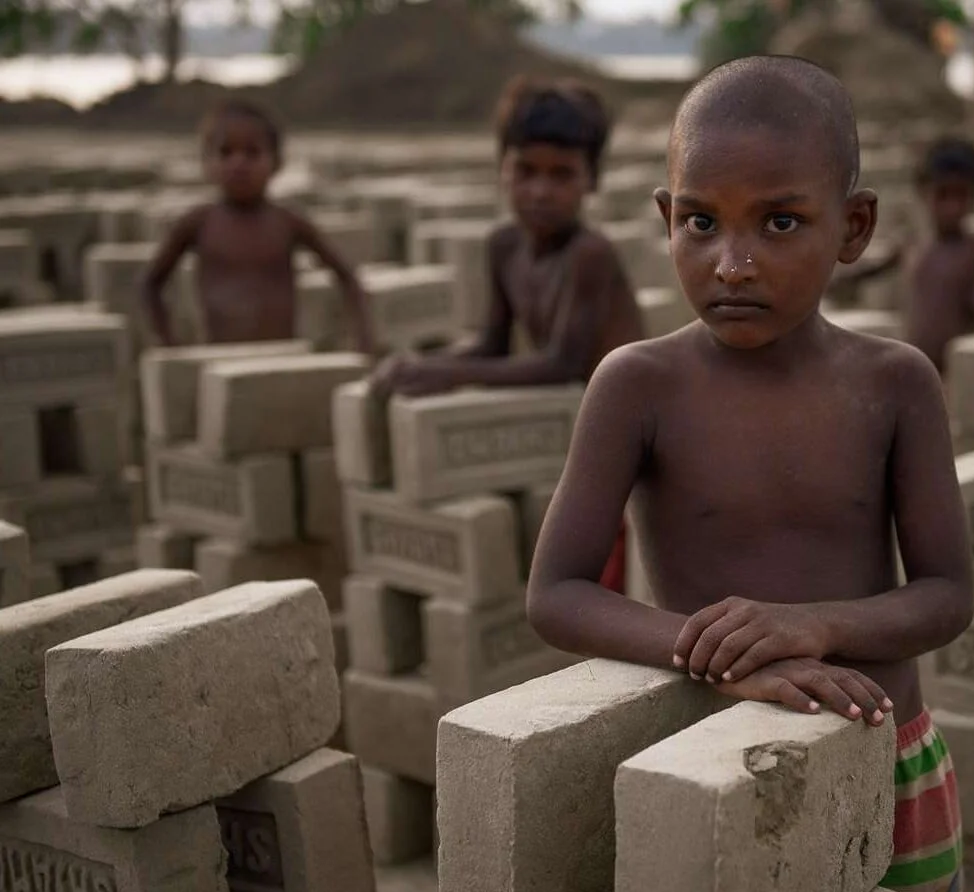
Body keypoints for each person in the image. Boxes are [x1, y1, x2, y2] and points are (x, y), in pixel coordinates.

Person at [526, 56, 973, 892]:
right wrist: (727, 656)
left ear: (853, 226)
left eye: (778, 222)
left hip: (882, 753)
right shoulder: (636, 385)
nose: (732, 263)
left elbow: (946, 596)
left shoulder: (895, 385)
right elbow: (556, 594)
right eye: (700, 221)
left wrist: (814, 625)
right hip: (710, 758)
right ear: (664, 220)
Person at [371, 76, 645, 594]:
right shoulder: (502, 247)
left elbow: (559, 363)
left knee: (608, 578)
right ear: (502, 168)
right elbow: (491, 344)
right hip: (573, 423)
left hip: (625, 433)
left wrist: (444, 373)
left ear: (592, 180)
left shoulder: (589, 254)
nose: (540, 190)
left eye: (561, 175)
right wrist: (422, 365)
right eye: (525, 171)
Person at [141, 98, 374, 352]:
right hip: (218, 361)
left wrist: (362, 337)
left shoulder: (288, 222)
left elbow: (346, 277)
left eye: (252, 153)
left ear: (277, 163)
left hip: (279, 359)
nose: (238, 164)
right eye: (225, 152)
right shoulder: (198, 223)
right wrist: (167, 342)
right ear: (206, 164)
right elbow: (151, 284)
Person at [828, 136, 974, 374]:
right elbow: (874, 269)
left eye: (961, 196)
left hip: (959, 372)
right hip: (917, 365)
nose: (952, 207)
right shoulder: (912, 244)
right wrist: (836, 278)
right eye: (943, 195)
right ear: (924, 193)